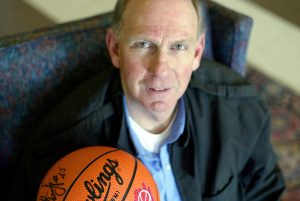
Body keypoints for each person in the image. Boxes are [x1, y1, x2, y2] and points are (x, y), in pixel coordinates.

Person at [11, 0, 285, 200]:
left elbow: (264, 189)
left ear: (197, 52)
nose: (160, 69)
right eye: (143, 45)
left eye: (178, 47)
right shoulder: (61, 145)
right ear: (115, 48)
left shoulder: (239, 107)